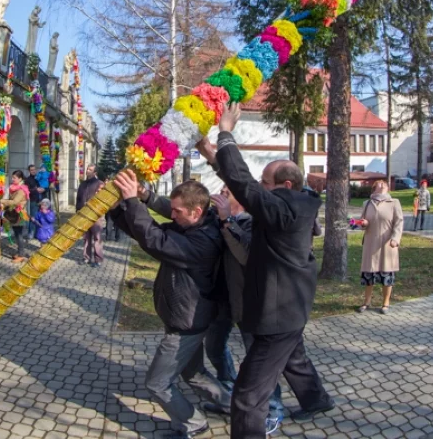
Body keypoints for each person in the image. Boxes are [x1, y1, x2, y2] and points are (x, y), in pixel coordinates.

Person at [196, 104, 334, 438]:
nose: (260, 185)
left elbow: (244, 185)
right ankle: (316, 400)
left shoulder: (284, 212)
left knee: (246, 397)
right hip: (290, 310)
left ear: (285, 185)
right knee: (293, 359)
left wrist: (226, 132)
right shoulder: (292, 206)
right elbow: (244, 184)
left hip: (276, 315)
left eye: (266, 182)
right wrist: (208, 151)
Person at [110, 171, 230, 439]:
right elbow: (147, 232)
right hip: (190, 318)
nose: (171, 215)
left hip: (185, 323)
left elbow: (154, 240)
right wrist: (120, 209)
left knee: (157, 383)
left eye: (176, 211)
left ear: (196, 211)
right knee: (194, 373)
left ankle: (193, 423)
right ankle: (230, 405)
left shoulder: (201, 242)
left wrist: (133, 201)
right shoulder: (195, 225)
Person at [202, 187, 285, 434]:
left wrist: (227, 221)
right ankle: (229, 393)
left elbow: (247, 256)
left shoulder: (252, 223)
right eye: (222, 188)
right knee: (214, 347)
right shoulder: (214, 217)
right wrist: (147, 197)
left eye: (228, 190)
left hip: (249, 304)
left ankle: (273, 408)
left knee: (260, 361)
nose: (221, 192)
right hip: (221, 301)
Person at [357, 180, 403, 314]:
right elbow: (359, 223)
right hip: (371, 244)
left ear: (388, 188)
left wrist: (395, 238)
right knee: (368, 275)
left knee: (386, 274)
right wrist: (363, 223)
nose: (382, 184)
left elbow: (399, 223)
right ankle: (366, 301)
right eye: (379, 183)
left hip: (387, 245)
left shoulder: (394, 203)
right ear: (374, 188)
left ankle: (385, 303)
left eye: (384, 183)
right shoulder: (367, 204)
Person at [78, 164, 105, 267]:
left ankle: (98, 259)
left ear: (95, 173)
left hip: (95, 215)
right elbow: (78, 199)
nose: (87, 171)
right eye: (87, 169)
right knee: (86, 237)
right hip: (84, 215)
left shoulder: (99, 184)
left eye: (90, 170)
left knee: (97, 238)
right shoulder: (83, 184)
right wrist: (78, 211)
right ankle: (86, 257)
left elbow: (102, 200)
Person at [0, 169, 30, 262]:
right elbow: (10, 199)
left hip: (19, 215)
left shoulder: (22, 189)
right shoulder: (13, 187)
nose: (13, 179)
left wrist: (2, 201)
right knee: (17, 234)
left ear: (20, 178)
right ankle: (20, 252)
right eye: (12, 177)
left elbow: (15, 202)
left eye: (14, 178)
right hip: (14, 214)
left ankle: (21, 255)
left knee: (19, 235)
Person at [25, 165, 44, 239]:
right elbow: (27, 191)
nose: (33, 171)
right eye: (32, 170)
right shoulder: (28, 180)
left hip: (40, 200)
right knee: (33, 217)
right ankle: (31, 233)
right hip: (33, 200)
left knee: (39, 218)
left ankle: (37, 234)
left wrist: (42, 189)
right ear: (29, 171)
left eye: (34, 169)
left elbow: (41, 186)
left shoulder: (37, 179)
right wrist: (36, 190)